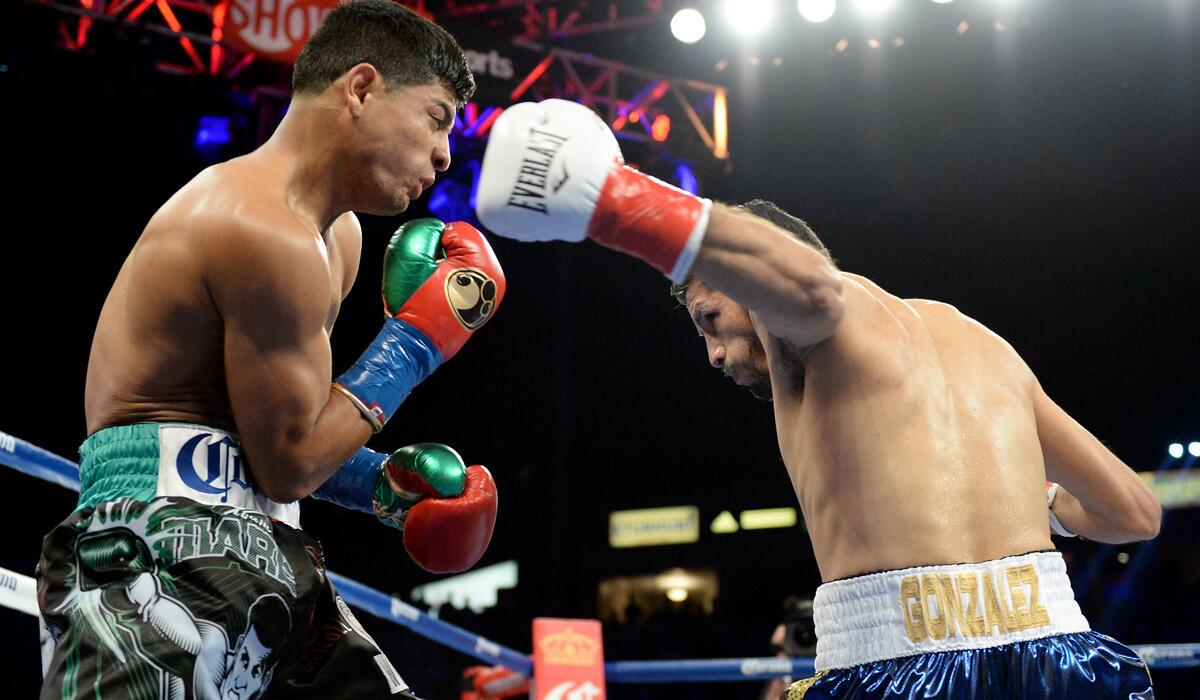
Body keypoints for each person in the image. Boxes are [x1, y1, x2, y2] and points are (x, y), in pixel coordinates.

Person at [474, 99, 1162, 698]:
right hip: (1061, 657)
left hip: (902, 665)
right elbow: (1133, 511)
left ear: (756, 284)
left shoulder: (817, 324)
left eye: (710, 319)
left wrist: (615, 201)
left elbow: (812, 288)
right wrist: (1038, 504)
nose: (712, 354)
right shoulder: (985, 342)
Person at [36, 2, 504, 698]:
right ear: (361, 88)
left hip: (270, 547)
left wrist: (379, 484)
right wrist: (417, 342)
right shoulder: (259, 226)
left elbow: (274, 439)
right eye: (436, 118)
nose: (444, 153)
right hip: (154, 547)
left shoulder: (336, 239)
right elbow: (288, 462)